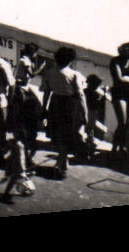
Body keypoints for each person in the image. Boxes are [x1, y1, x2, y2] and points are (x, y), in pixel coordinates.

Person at [42, 46, 88, 178]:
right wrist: (85, 114)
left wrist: (44, 107)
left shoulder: (50, 72)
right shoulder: (74, 74)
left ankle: (62, 161)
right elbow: (80, 95)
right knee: (66, 136)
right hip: (70, 106)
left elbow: (46, 92)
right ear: (70, 61)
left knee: (59, 135)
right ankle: (60, 164)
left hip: (55, 103)